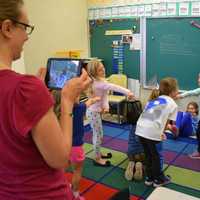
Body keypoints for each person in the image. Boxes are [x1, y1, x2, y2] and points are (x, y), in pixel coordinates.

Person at [0, 0, 91, 199]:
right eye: (25, 27)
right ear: (7, 28)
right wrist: (67, 100)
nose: (26, 37)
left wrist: (35, 95)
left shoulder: (26, 90)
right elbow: (60, 159)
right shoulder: (25, 89)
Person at [52, 90, 100, 200]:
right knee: (77, 171)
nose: (79, 97)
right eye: (77, 95)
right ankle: (75, 194)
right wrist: (95, 99)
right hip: (76, 147)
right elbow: (89, 102)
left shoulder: (56, 111)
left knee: (62, 170)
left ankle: (60, 189)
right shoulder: (79, 108)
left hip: (62, 147)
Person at [86, 60, 135, 166]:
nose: (103, 69)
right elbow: (114, 87)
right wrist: (128, 92)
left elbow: (104, 96)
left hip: (95, 112)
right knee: (98, 136)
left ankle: (98, 153)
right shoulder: (100, 83)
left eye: (103, 67)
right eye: (100, 69)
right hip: (93, 112)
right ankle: (97, 158)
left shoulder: (98, 81)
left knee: (99, 134)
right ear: (94, 72)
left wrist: (106, 107)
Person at [135, 78, 178, 187]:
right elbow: (166, 123)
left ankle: (149, 178)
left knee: (148, 155)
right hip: (151, 131)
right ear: (172, 91)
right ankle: (159, 179)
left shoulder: (155, 99)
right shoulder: (173, 104)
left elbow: (151, 116)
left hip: (140, 129)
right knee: (156, 156)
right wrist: (161, 133)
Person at [176, 74, 200, 159]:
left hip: (192, 130)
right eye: (198, 78)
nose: (198, 80)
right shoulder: (199, 90)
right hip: (186, 130)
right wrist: (180, 96)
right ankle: (177, 129)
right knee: (180, 113)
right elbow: (191, 92)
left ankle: (176, 130)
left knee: (187, 116)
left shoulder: (195, 115)